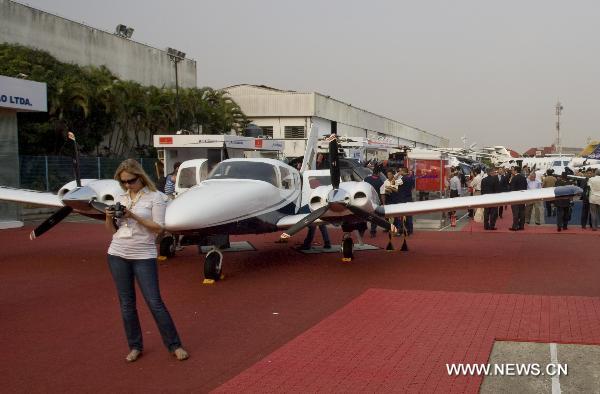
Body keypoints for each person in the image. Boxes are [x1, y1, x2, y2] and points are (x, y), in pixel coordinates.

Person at [105, 159, 188, 362]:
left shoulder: (156, 197)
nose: (127, 185)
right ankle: (135, 346)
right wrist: (108, 216)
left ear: (140, 177)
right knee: (126, 304)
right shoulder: (120, 197)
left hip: (143, 254)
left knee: (154, 302)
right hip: (117, 253)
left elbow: (159, 228)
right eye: (123, 182)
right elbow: (112, 231)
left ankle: (174, 345)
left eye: (131, 181)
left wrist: (133, 215)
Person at [363, 166, 385, 237]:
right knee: (374, 217)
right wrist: (383, 203)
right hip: (375, 202)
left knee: (363, 216)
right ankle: (373, 232)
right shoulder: (380, 181)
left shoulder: (366, 179)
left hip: (366, 201)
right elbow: (382, 194)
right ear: (378, 173)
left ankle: (362, 230)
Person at [396, 167, 415, 235]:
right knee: (409, 215)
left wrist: (397, 175)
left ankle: (400, 230)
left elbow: (393, 183)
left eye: (400, 171)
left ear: (403, 171)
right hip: (409, 198)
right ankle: (410, 230)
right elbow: (413, 187)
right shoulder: (411, 178)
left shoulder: (402, 179)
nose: (399, 172)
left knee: (400, 215)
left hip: (402, 199)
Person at [509, 166, 528, 231]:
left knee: (515, 213)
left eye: (513, 170)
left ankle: (515, 226)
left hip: (515, 197)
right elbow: (525, 187)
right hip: (522, 197)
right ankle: (521, 226)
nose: (512, 171)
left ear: (516, 171)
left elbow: (512, 188)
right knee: (522, 212)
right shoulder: (524, 178)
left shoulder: (514, 178)